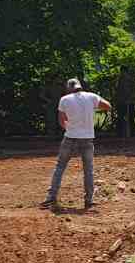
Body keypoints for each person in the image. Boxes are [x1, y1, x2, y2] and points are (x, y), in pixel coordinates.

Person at [41, 77, 111, 211]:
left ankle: (51, 197)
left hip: (70, 137)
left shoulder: (65, 100)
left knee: (60, 167)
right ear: (80, 86)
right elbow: (108, 106)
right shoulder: (91, 97)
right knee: (88, 170)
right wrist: (92, 108)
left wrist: (69, 128)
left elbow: (61, 121)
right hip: (87, 138)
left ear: (69, 88)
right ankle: (89, 200)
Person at [115, 63, 135, 138]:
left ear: (126, 71)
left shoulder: (131, 80)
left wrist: (134, 98)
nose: (123, 73)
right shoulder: (119, 80)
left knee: (131, 119)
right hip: (121, 102)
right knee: (120, 118)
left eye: (124, 71)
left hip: (130, 102)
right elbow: (117, 90)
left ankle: (132, 134)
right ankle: (120, 134)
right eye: (122, 71)